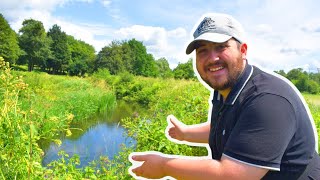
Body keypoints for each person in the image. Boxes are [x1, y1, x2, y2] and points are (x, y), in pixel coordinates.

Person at [128, 13, 320, 180]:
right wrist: (186, 133)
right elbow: (230, 127)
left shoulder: (268, 100)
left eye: (221, 47)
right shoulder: (226, 88)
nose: (212, 58)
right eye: (203, 51)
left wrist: (164, 166)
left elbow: (233, 175)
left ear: (243, 51)